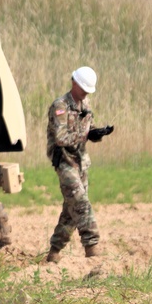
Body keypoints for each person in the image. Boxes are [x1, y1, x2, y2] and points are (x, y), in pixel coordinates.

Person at [44, 66, 114, 262]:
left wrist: (96, 133)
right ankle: (92, 246)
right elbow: (61, 137)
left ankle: (54, 252)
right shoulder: (60, 106)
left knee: (70, 210)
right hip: (64, 162)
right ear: (74, 82)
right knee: (81, 203)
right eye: (83, 89)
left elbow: (86, 128)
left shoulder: (86, 104)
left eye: (87, 91)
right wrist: (85, 135)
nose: (84, 94)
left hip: (81, 162)